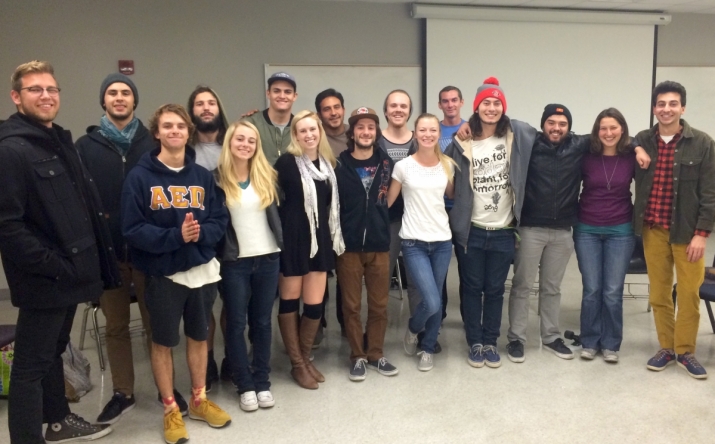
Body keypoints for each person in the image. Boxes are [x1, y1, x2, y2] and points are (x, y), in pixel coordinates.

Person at [0, 60, 120, 443]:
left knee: (53, 352)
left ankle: (58, 422)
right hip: (45, 280)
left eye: (52, 89)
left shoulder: (57, 140)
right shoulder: (12, 150)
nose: (46, 95)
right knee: (30, 367)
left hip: (70, 275)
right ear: (16, 97)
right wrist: (55, 266)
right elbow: (8, 226)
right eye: (35, 89)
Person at [76, 73, 185, 424]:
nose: (119, 98)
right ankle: (123, 392)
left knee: (157, 323)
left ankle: (165, 388)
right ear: (103, 101)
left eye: (125, 93)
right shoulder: (86, 146)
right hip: (108, 254)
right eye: (112, 93)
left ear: (134, 101)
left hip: (149, 251)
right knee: (116, 327)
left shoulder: (150, 142)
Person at [121, 104, 231, 443]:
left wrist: (200, 234)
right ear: (157, 133)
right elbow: (132, 229)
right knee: (163, 342)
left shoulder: (200, 176)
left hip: (200, 271)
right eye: (167, 126)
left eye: (180, 127)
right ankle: (170, 407)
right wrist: (175, 237)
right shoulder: (139, 177)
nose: (174, 132)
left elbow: (218, 219)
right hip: (163, 274)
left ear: (189, 132)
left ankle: (198, 399)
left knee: (199, 336)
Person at [445, 78, 536, 369]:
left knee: (495, 289)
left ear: (503, 108)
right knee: (471, 288)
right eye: (486, 102)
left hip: (503, 230)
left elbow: (551, 132)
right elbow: (442, 167)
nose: (492, 108)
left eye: (497, 103)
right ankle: (474, 342)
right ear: (476, 107)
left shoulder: (516, 134)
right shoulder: (462, 141)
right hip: (471, 230)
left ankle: (490, 341)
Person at [635, 81, 715, 379]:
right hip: (653, 228)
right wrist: (638, 148)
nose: (665, 109)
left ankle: (685, 351)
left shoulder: (703, 143)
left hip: (687, 232)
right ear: (654, 108)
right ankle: (666, 347)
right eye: (660, 104)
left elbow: (710, 193)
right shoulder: (645, 138)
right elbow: (626, 140)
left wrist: (702, 233)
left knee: (690, 293)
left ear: (682, 107)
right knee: (658, 293)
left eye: (672, 104)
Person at [274, 110, 345, 389]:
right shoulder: (286, 163)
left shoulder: (328, 164)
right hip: (292, 239)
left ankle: (304, 358)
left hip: (320, 240)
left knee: (315, 305)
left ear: (320, 132)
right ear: (295, 135)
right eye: (302, 131)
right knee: (290, 302)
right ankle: (297, 364)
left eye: (313, 130)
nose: (309, 135)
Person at [216, 120, 282, 410]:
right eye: (240, 139)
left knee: (263, 322)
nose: (245, 144)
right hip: (235, 263)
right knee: (236, 323)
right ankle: (244, 384)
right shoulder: (215, 179)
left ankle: (262, 381)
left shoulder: (267, 175)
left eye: (251, 141)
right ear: (230, 142)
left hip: (268, 257)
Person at [388, 113, 456, 372]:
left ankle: (427, 347)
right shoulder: (403, 166)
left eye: (433, 130)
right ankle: (413, 329)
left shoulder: (448, 163)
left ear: (439, 134)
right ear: (415, 133)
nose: (427, 134)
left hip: (441, 241)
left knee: (436, 295)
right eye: (422, 130)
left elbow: (450, 195)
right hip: (413, 242)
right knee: (431, 299)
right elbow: (389, 202)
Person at [336, 107, 398, 381]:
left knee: (379, 304)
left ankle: (375, 353)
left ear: (377, 131)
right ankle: (357, 356)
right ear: (353, 132)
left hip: (378, 244)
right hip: (348, 247)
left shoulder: (387, 164)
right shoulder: (338, 165)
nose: (365, 132)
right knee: (350, 306)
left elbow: (390, 203)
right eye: (360, 127)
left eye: (370, 127)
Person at [574, 108, 637, 364]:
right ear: (596, 131)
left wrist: (639, 146)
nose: (608, 133)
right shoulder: (585, 155)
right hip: (587, 229)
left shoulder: (632, 155)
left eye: (613, 128)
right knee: (592, 289)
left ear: (622, 129)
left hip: (620, 230)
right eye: (603, 128)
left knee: (612, 291)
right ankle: (589, 341)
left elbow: (647, 140)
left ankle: (611, 344)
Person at [187, 85, 231, 389]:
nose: (206, 108)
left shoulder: (234, 143)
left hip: (235, 236)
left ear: (219, 109)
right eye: (199, 104)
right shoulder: (184, 151)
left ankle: (232, 357)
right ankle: (210, 359)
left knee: (234, 303)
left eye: (211, 103)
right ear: (192, 112)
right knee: (204, 306)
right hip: (199, 238)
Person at [314, 88, 348, 341]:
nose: (333, 113)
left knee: (346, 275)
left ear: (343, 109)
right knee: (320, 273)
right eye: (327, 109)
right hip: (320, 217)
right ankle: (316, 323)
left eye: (337, 107)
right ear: (319, 114)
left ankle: (347, 324)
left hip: (349, 216)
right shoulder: (315, 137)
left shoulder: (356, 134)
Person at [245, 72, 297, 165]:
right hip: (257, 179)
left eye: (287, 92)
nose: (282, 96)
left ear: (294, 96)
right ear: (268, 93)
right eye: (276, 91)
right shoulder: (250, 124)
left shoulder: (300, 128)